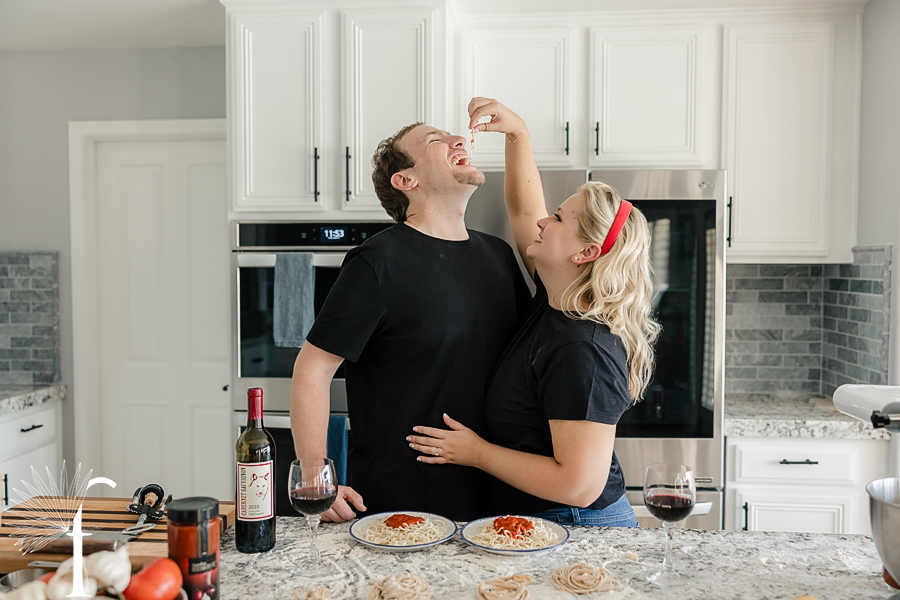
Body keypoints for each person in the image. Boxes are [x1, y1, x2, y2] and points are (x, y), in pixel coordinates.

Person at [407, 98, 660, 527]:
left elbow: (579, 485)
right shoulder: (556, 302)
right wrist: (517, 133)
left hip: (576, 522)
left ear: (585, 252)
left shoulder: (583, 350)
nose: (544, 222)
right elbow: (524, 210)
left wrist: (476, 452)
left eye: (558, 218)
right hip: (547, 518)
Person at [289, 121, 531, 523]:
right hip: (399, 506)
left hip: (500, 504)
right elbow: (313, 369)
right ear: (406, 179)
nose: (458, 139)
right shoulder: (377, 262)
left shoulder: (500, 257)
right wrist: (315, 471)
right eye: (436, 140)